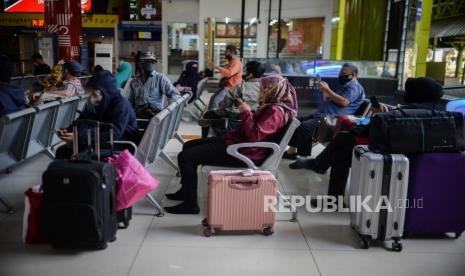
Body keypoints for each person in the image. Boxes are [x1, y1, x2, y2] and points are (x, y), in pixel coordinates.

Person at [292, 77, 445, 207]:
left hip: (392, 155)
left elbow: (366, 132)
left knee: (343, 139)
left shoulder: (398, 115)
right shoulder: (443, 117)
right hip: (425, 159)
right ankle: (322, 169)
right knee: (342, 146)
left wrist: (381, 117)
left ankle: (325, 177)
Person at [164, 75, 298, 214]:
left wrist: (245, 111)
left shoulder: (275, 112)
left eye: (264, 89)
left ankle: (190, 204)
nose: (261, 91)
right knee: (189, 146)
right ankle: (185, 191)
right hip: (242, 145)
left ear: (273, 90)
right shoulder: (274, 108)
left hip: (245, 152)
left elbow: (254, 135)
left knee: (186, 156)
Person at [284, 63, 365, 163]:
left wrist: (328, 89)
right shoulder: (345, 85)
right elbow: (332, 98)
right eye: (340, 73)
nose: (340, 75)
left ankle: (303, 157)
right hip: (323, 115)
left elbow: (344, 102)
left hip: (331, 118)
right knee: (295, 121)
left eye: (344, 73)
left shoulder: (354, 87)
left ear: (353, 75)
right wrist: (325, 91)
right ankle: (291, 151)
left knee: (305, 126)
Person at [55, 70, 138, 159]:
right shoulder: (99, 102)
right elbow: (83, 120)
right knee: (62, 151)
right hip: (103, 141)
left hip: (120, 144)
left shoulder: (121, 104)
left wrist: (79, 137)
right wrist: (69, 130)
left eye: (95, 94)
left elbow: (114, 133)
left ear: (106, 92)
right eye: (91, 93)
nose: (92, 97)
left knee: (71, 154)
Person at [200, 60, 265, 138]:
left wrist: (219, 110)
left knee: (208, 114)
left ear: (250, 74)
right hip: (255, 117)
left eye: (246, 71)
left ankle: (204, 138)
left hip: (237, 116)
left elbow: (226, 103)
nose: (244, 73)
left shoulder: (240, 86)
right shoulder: (265, 87)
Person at [128, 52, 181, 118]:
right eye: (147, 61)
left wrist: (167, 111)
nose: (150, 64)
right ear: (140, 63)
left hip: (156, 116)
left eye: (153, 62)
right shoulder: (134, 81)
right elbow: (130, 102)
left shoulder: (160, 78)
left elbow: (175, 94)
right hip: (139, 116)